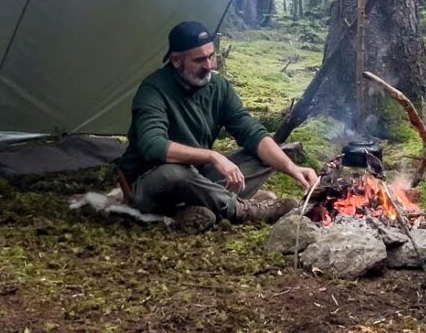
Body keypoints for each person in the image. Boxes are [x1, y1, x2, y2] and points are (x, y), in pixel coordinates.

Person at [117, 21, 319, 231]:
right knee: (175, 173)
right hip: (150, 185)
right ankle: (243, 210)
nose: (210, 65)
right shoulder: (153, 90)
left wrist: (292, 168)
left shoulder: (217, 86)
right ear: (176, 60)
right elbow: (154, 146)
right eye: (199, 60)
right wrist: (213, 156)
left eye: (211, 56)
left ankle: (195, 209)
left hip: (198, 177)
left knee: (269, 154)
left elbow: (250, 130)